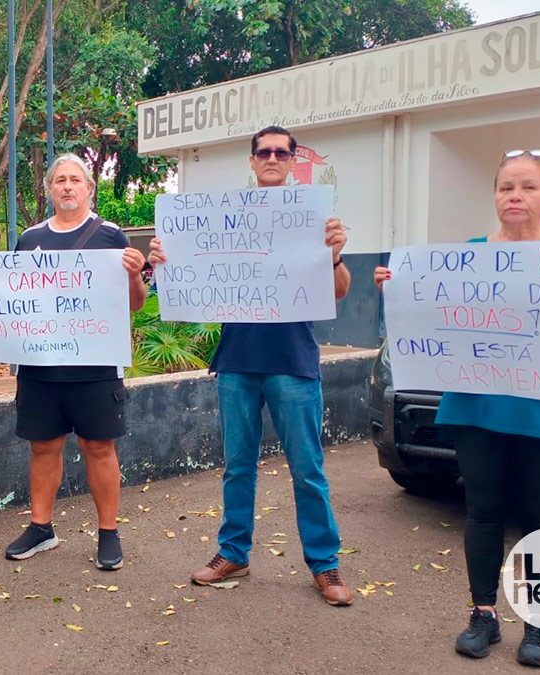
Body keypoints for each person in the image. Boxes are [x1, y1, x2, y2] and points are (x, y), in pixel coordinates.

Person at [375, 150, 540, 667]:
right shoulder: (470, 256)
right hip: (478, 406)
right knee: (482, 511)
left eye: (527, 187)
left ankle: (539, 623)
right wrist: (400, 289)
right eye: (505, 187)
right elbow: (433, 317)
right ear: (495, 195)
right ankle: (483, 614)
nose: (514, 196)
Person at [148, 126, 355, 605]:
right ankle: (233, 553)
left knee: (308, 469)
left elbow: (340, 291)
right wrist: (164, 259)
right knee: (237, 467)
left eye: (281, 152)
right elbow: (186, 275)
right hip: (237, 362)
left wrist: (335, 256)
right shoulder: (222, 219)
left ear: (294, 160)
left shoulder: (314, 219)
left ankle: (324, 564)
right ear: (252, 160)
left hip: (293, 362)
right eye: (264, 151)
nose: (272, 158)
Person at [0, 153, 148, 571]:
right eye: (60, 180)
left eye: (75, 180)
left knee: (99, 447)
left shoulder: (111, 236)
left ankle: (108, 532)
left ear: (89, 188)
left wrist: (134, 274)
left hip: (96, 367)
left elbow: (135, 304)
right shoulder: (30, 239)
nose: (67, 186)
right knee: (43, 446)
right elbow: (11, 296)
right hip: (40, 367)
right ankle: (41, 527)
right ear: (50, 189)